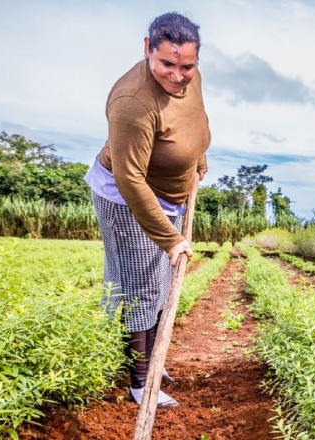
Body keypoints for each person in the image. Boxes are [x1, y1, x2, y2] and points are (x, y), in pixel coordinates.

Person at [85, 12, 210, 408]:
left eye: (187, 66)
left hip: (168, 194)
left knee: (156, 282)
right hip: (127, 199)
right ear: (147, 49)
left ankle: (154, 362)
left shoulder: (191, 79)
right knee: (140, 287)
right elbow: (131, 180)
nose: (177, 75)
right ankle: (141, 383)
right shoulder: (132, 102)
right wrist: (172, 240)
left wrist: (197, 158)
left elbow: (193, 123)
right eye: (167, 65)